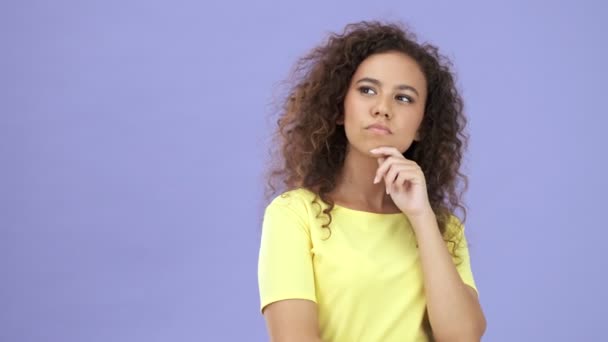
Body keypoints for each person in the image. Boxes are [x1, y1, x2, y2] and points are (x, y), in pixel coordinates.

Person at [258, 20, 486, 342]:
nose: (382, 109)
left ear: (423, 124)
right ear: (339, 108)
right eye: (367, 90)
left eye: (403, 98)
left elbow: (463, 337)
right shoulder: (294, 214)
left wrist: (421, 217)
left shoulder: (442, 228)